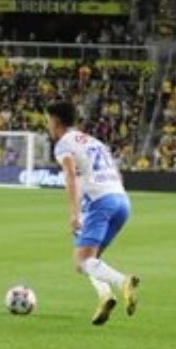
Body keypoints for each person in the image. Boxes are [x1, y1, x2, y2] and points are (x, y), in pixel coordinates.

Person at [46, 101, 139, 326]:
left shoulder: (63, 144)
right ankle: (105, 296)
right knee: (92, 259)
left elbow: (70, 175)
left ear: (56, 121)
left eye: (48, 120)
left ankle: (122, 281)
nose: (47, 125)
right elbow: (117, 174)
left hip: (99, 202)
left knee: (81, 261)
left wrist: (74, 213)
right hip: (121, 200)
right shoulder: (94, 141)